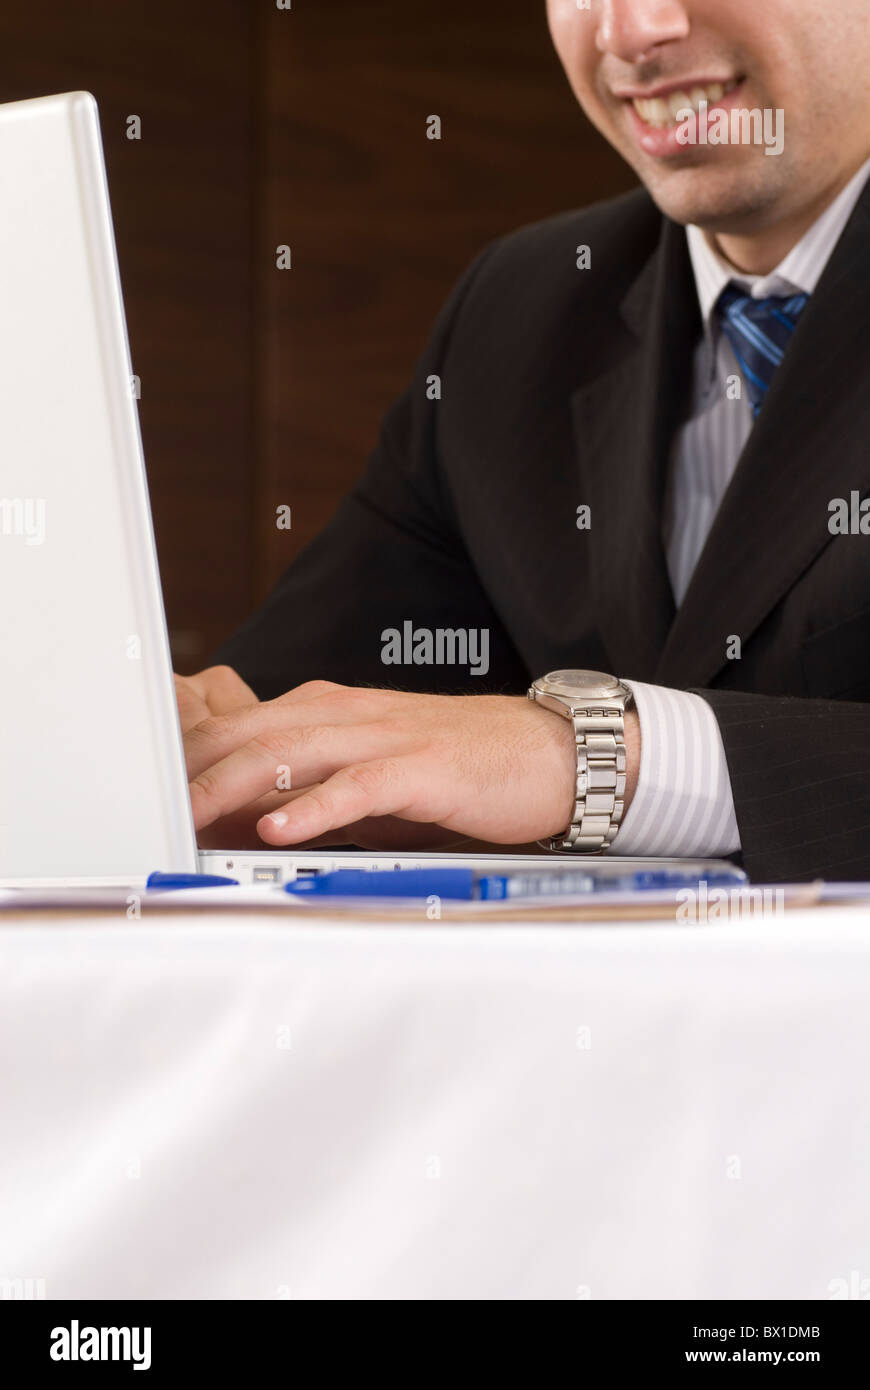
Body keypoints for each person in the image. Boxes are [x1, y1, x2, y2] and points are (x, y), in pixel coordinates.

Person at [176, 0, 870, 882]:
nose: (627, 31)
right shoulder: (523, 306)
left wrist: (592, 758)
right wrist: (169, 738)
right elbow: (288, 711)